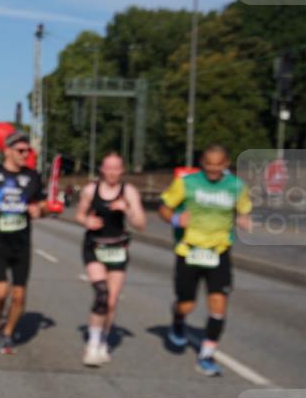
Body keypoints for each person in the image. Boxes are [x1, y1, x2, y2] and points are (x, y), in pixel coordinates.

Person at [158, 145, 251, 376]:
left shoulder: (237, 187)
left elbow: (244, 211)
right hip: (188, 250)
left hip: (218, 252)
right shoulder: (186, 182)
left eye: (218, 164)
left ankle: (207, 356)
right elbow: (164, 208)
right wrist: (177, 218)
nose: (213, 168)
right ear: (202, 162)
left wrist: (243, 220)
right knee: (187, 304)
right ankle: (178, 319)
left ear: (226, 164)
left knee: (219, 305)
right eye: (209, 163)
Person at [0, 132, 48, 353]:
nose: (25, 155)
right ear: (8, 151)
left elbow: (42, 204)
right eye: (20, 151)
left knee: (19, 295)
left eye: (28, 151)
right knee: (1, 292)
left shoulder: (32, 176)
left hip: (22, 243)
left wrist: (38, 209)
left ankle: (8, 333)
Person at [75, 153, 146, 367]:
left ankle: (103, 342)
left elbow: (140, 224)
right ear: (102, 169)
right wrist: (87, 220)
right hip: (94, 247)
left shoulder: (129, 192)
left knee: (112, 302)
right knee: (102, 294)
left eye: (117, 168)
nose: (113, 172)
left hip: (118, 248)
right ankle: (92, 346)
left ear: (122, 170)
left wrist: (127, 209)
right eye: (109, 168)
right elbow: (79, 215)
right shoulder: (90, 190)